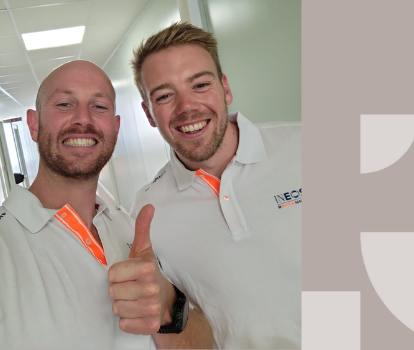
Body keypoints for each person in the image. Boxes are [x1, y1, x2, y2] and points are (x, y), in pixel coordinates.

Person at [0, 60, 212, 349]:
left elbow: (202, 343)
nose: (83, 119)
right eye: (65, 104)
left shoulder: (130, 229)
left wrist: (169, 305)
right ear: (33, 123)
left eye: (100, 107)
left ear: (115, 128)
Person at [128, 22, 302, 348]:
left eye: (200, 84)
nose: (186, 107)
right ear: (149, 114)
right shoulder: (148, 212)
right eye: (165, 95)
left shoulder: (305, 145)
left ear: (226, 88)